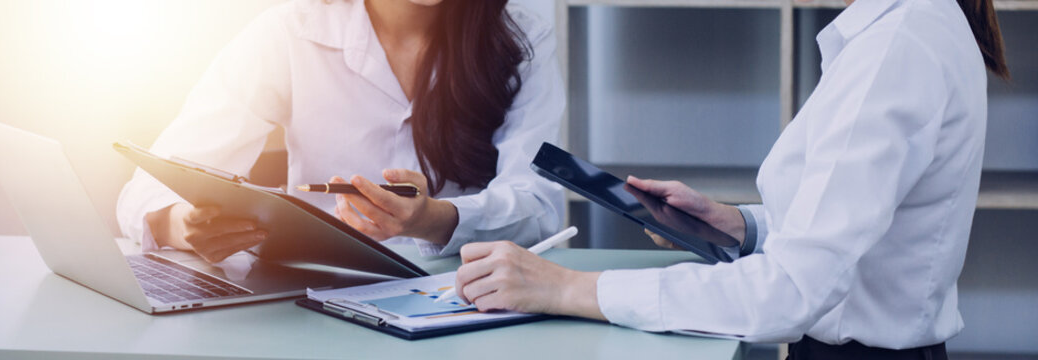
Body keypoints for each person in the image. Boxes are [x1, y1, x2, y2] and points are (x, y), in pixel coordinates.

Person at [453, 0, 1009, 358]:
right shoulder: (911, 28)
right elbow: (864, 221)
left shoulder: (897, 47)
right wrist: (740, 228)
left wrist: (564, 287)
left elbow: (792, 291)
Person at [116, 0, 565, 264]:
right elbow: (152, 183)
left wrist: (436, 218)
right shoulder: (293, 30)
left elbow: (541, 205)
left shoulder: (520, 36)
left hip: (463, 297)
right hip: (312, 293)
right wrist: (180, 225)